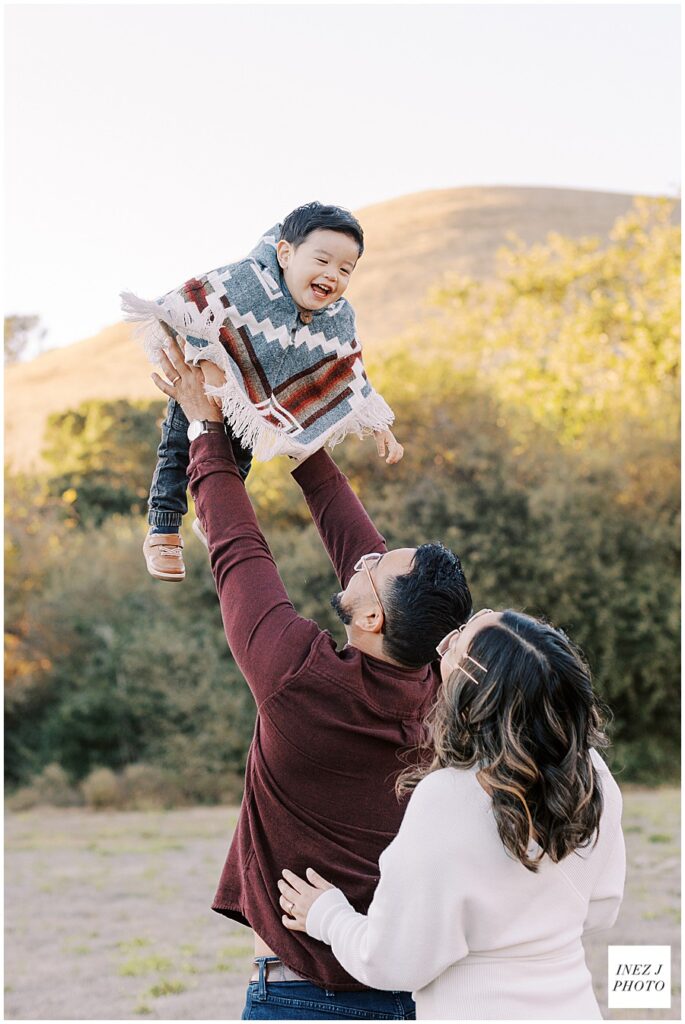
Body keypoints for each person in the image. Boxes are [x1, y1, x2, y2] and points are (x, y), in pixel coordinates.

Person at [151, 335, 473, 1020]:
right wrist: (292, 427)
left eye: (372, 572)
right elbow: (361, 549)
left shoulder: (303, 686)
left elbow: (239, 552)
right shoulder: (441, 692)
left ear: (375, 621)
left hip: (301, 1000)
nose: (361, 561)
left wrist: (208, 428)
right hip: (411, 993)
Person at [278, 609, 626, 1020]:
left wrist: (327, 915)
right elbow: (602, 907)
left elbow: (393, 961)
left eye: (457, 640)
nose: (444, 642)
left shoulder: (446, 797)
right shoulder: (593, 775)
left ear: (473, 695)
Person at [121, 201, 403, 583]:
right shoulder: (246, 281)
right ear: (285, 254)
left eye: (344, 269)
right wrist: (203, 362)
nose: (331, 275)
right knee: (176, 452)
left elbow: (349, 370)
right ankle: (163, 529)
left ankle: (214, 516)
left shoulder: (337, 318)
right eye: (321, 261)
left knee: (235, 465)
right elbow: (192, 304)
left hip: (251, 406)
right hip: (203, 380)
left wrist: (378, 424)